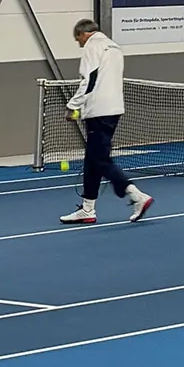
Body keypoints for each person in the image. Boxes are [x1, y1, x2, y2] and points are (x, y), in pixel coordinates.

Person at [61, 17, 154, 226]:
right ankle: (87, 209)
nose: (79, 43)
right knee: (92, 160)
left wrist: (73, 105)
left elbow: (89, 80)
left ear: (83, 34)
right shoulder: (114, 47)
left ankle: (136, 195)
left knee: (100, 159)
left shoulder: (92, 47)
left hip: (98, 110)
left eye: (78, 39)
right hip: (114, 108)